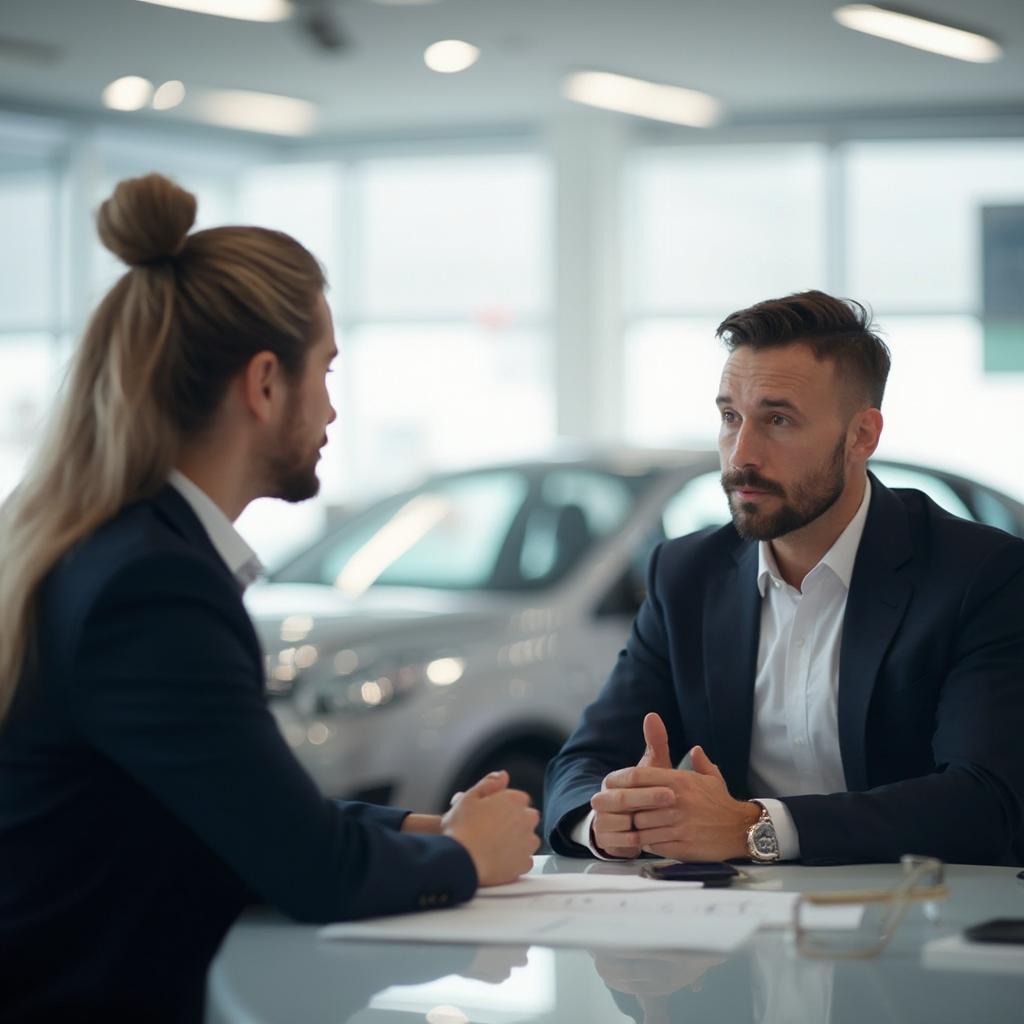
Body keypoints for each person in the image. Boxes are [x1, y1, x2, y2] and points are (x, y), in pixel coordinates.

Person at [0, 173, 540, 1023]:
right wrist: (467, 856)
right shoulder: (153, 585)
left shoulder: (110, 548)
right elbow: (309, 871)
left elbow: (238, 800)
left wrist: (417, 831)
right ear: (262, 384)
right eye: (324, 370)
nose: (330, 406)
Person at [544, 290, 1024, 867]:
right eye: (729, 417)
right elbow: (580, 764)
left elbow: (985, 802)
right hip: (733, 930)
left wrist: (754, 828)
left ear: (862, 437)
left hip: (912, 921)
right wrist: (607, 820)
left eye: (778, 419)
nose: (740, 454)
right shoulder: (685, 575)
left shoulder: (981, 575)